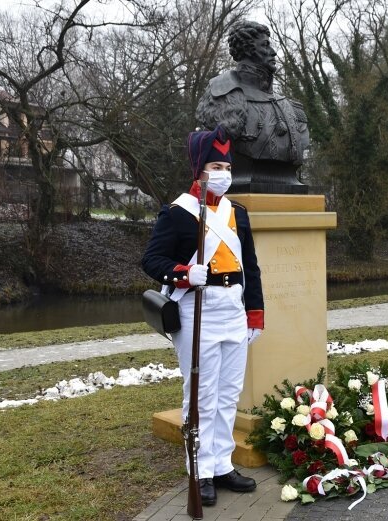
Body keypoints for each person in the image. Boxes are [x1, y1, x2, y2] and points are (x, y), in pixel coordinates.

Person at [142, 124, 264, 506]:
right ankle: (200, 470)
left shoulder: (237, 213)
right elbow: (151, 260)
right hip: (198, 311)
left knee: (228, 394)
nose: (223, 174)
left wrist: (255, 314)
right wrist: (181, 272)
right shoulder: (178, 213)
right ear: (199, 169)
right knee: (201, 395)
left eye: (226, 167)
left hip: (232, 310)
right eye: (215, 166)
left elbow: (251, 268)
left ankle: (223, 463)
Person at [196, 21, 309, 193]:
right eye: (265, 45)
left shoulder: (291, 107)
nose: (273, 52)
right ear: (248, 50)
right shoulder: (221, 97)